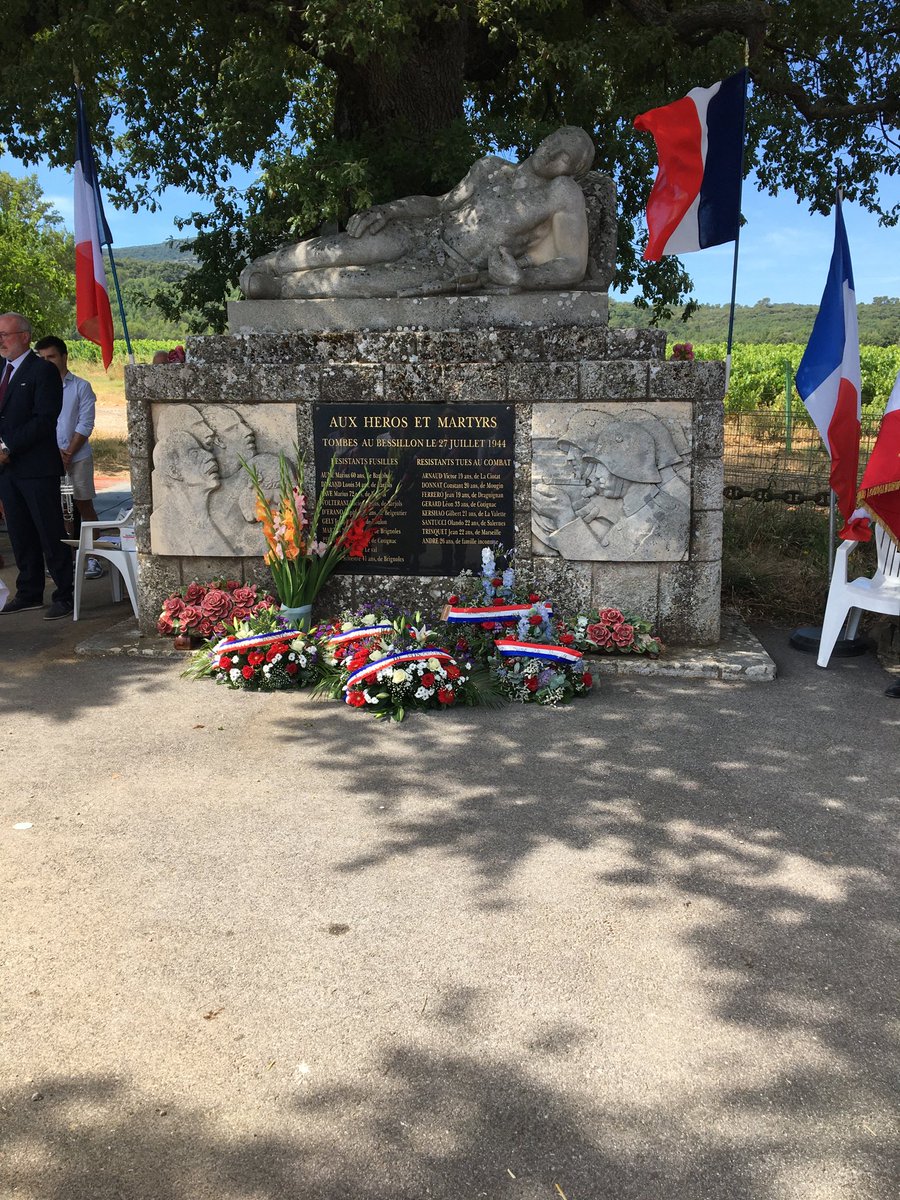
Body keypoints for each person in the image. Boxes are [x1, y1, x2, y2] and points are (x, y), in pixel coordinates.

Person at [240, 126, 596, 299]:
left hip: (450, 265)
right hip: (424, 231)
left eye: (565, 154)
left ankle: (279, 288)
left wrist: (521, 279)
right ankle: (270, 263)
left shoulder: (560, 193)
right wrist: (390, 210)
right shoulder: (490, 168)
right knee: (339, 249)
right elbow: (441, 203)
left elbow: (573, 265)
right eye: (556, 139)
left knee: (354, 281)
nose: (552, 151)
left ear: (572, 171)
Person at [0, 312, 74, 618]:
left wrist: (8, 446)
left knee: (48, 531)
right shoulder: (1, 370)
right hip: (8, 469)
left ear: (24, 336)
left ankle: (65, 593)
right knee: (19, 532)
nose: (1, 341)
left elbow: (44, 420)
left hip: (35, 466)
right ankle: (29, 591)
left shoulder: (42, 371)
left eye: (5, 335)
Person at [34, 335, 106, 580]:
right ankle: (67, 559)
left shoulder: (80, 386)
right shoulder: (36, 385)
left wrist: (68, 452)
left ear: (64, 357)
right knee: (57, 510)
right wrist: (53, 454)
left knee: (83, 504)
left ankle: (95, 557)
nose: (46, 362)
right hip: (46, 457)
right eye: (41, 358)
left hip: (77, 456)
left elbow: (85, 423)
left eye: (51, 357)